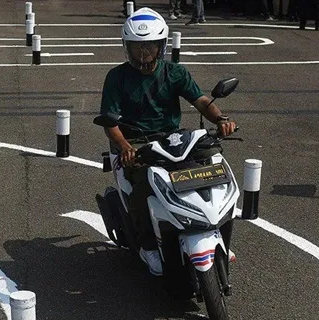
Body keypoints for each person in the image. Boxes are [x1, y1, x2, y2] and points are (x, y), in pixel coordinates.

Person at [99, 8, 237, 276]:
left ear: (161, 46)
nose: (143, 53)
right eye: (136, 47)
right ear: (126, 47)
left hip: (173, 139)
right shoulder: (116, 77)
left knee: (210, 171)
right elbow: (110, 123)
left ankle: (216, 231)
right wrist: (126, 148)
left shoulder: (175, 73)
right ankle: (148, 247)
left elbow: (201, 101)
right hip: (137, 146)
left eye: (149, 46)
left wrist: (221, 119)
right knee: (142, 189)